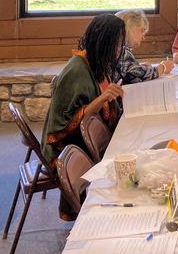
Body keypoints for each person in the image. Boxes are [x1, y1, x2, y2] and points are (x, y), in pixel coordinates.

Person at [42, 14, 125, 219]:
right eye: (116, 45)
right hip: (63, 149)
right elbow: (66, 124)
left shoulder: (96, 63)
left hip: (87, 137)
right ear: (104, 43)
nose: (118, 51)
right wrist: (103, 98)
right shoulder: (77, 70)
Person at [115, 9, 174, 83]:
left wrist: (138, 67)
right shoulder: (121, 50)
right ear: (130, 28)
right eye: (142, 30)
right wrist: (163, 67)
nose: (143, 37)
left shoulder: (116, 45)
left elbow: (128, 72)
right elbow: (139, 76)